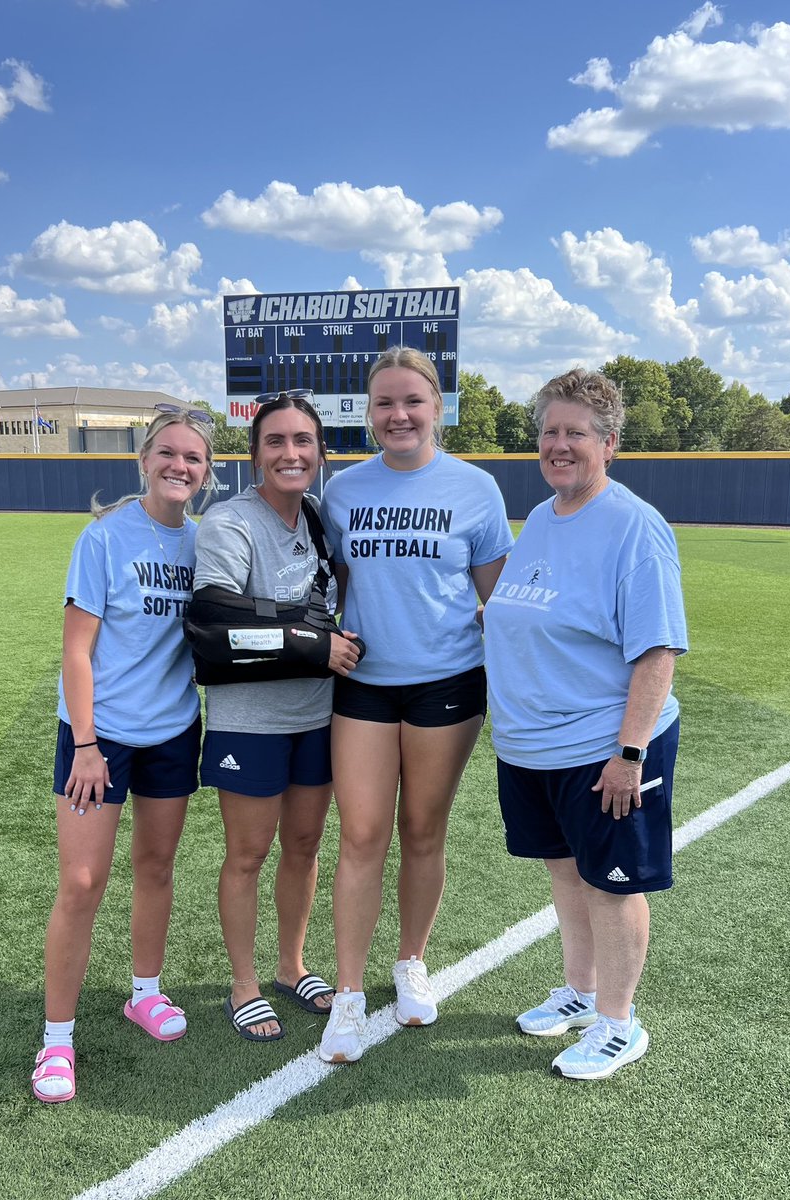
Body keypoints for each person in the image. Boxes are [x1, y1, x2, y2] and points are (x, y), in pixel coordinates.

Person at [484, 367, 688, 1080]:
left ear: (610, 442)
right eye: (549, 432)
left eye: (576, 432)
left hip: (604, 744)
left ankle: (619, 1023)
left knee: (611, 882)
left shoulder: (634, 526)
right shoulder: (543, 517)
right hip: (533, 745)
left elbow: (657, 650)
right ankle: (580, 992)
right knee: (567, 873)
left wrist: (630, 754)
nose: (559, 445)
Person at [317, 346, 514, 1064]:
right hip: (364, 684)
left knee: (424, 831)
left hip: (449, 683)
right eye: (384, 403)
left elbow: (503, 602)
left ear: (437, 407)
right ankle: (348, 994)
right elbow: (332, 590)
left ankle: (410, 962)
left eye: (412, 401)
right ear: (368, 413)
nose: (398, 415)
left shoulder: (476, 489)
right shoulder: (342, 491)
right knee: (362, 835)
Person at [31, 405, 213, 1103]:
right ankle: (57, 1038)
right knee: (81, 883)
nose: (178, 465)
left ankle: (145, 992)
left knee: (157, 867)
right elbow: (76, 651)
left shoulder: (202, 544)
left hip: (172, 731)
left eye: (192, 457)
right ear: (144, 460)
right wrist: (84, 744)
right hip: (98, 735)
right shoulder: (104, 537)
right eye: (167, 452)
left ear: (207, 472)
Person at [194, 391, 362, 1042]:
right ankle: (244, 984)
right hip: (248, 721)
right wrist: (312, 645)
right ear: (255, 453)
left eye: (303, 441)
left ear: (320, 452)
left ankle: (291, 966)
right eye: (276, 441)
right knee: (248, 853)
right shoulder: (230, 523)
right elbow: (215, 628)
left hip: (316, 716)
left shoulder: (319, 518)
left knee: (304, 845)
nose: (290, 453)